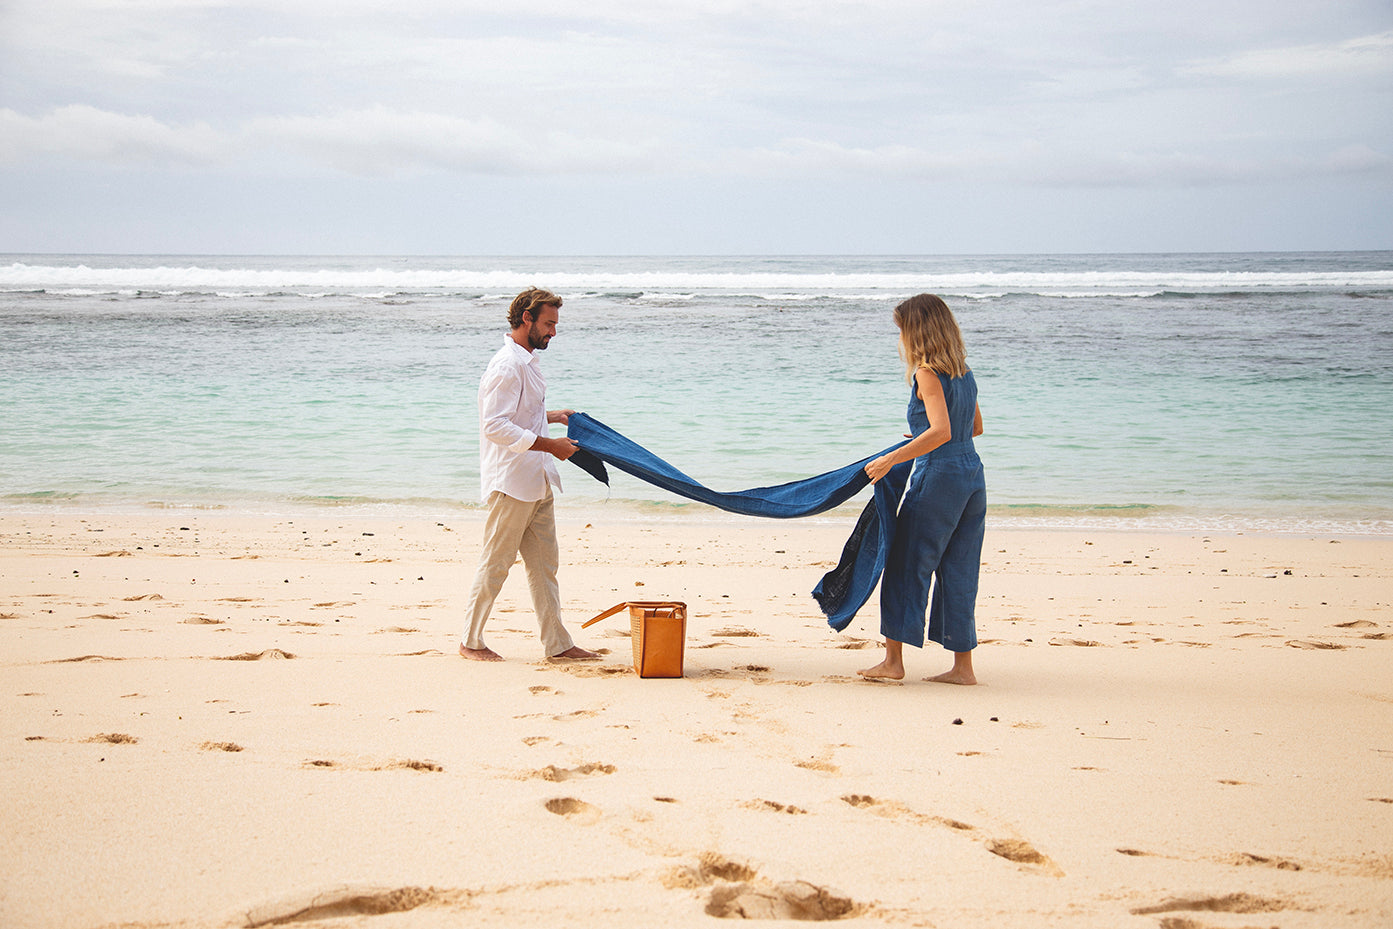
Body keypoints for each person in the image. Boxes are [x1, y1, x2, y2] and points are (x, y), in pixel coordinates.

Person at [460, 288, 597, 662]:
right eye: (549, 323)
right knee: (496, 563)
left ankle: (558, 644)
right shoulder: (507, 365)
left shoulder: (526, 361)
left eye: (555, 324)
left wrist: (553, 416)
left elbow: (519, 414)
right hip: (512, 484)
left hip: (537, 481)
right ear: (527, 319)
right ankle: (470, 642)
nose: (554, 331)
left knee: (544, 567)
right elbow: (495, 426)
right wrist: (552, 445)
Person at [858, 294, 985, 685]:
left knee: (906, 564)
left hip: (940, 476)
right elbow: (973, 428)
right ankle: (963, 669)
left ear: (917, 330)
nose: (900, 338)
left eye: (901, 329)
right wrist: (922, 435)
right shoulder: (963, 371)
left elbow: (941, 432)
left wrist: (893, 458)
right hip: (971, 475)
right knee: (959, 569)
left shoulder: (927, 373)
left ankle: (893, 663)